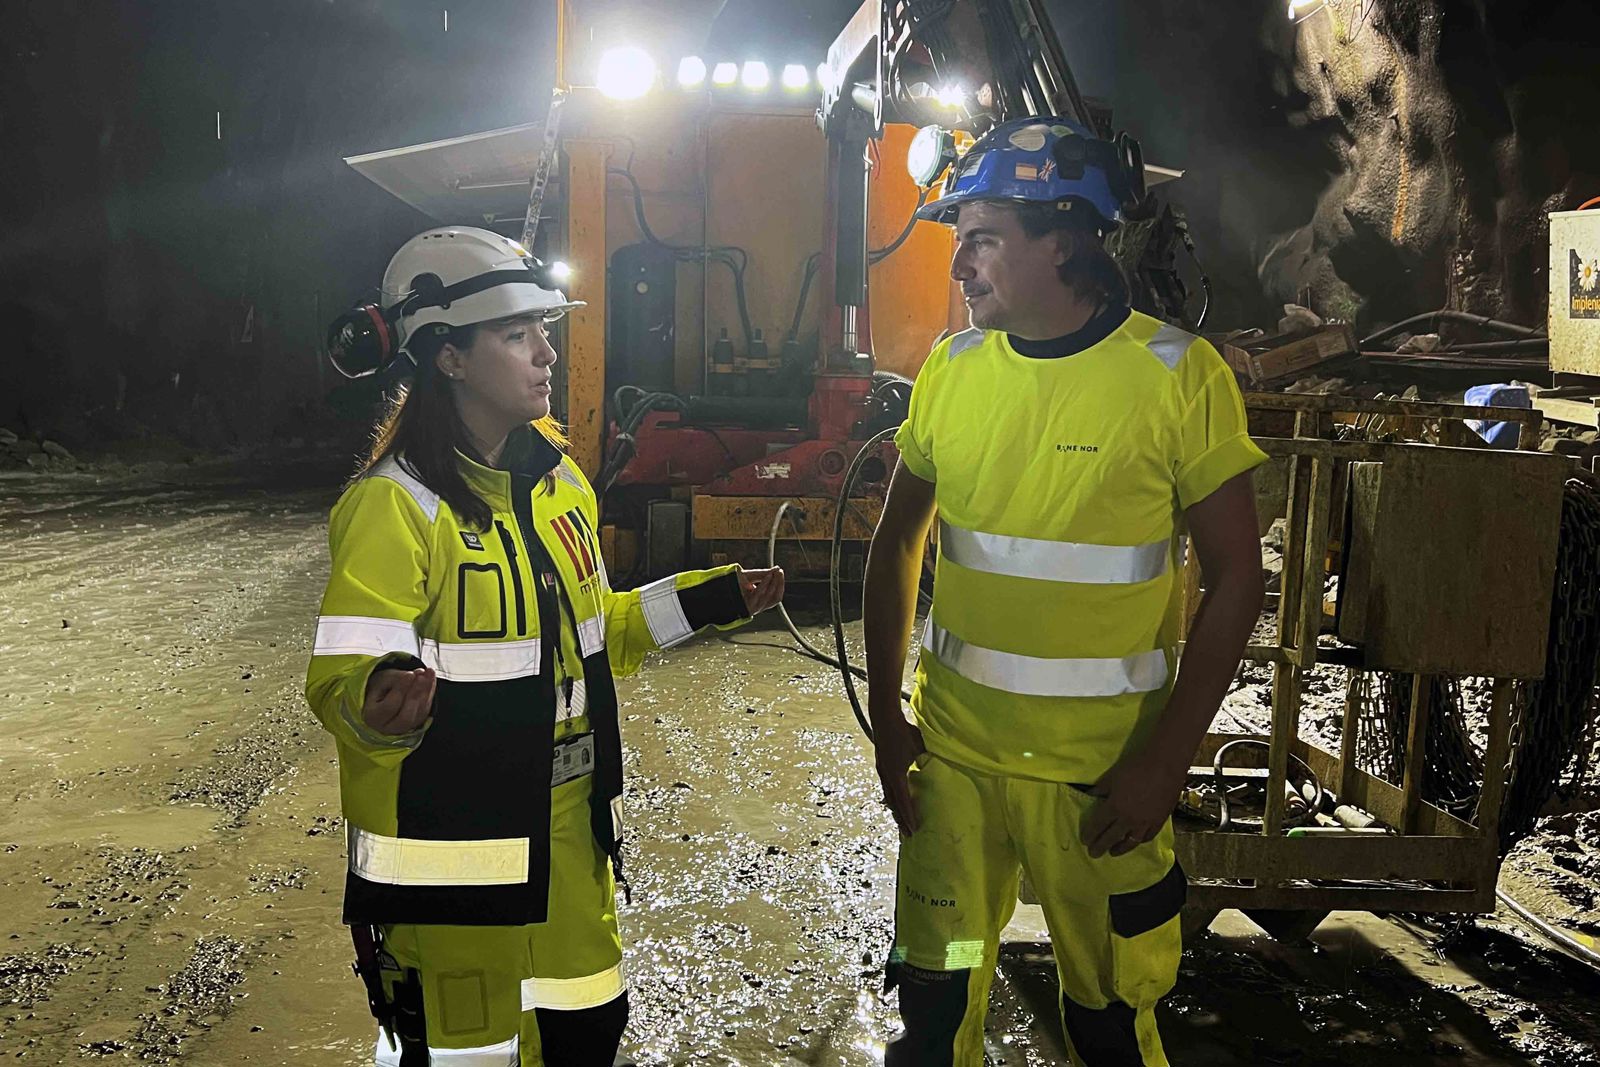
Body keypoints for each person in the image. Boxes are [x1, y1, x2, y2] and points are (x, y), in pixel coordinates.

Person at [305, 226, 785, 1066]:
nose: (546, 352)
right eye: (517, 333)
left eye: (545, 329)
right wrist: (378, 702)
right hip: (449, 862)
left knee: (586, 1031)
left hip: (568, 842)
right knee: (464, 1056)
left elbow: (598, 637)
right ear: (449, 358)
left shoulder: (562, 484)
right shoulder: (395, 508)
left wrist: (711, 599)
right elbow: (345, 678)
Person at [862, 117, 1267, 1066]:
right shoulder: (953, 370)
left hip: (1102, 782)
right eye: (958, 237)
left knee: (1107, 1020)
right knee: (936, 1003)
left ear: (1067, 240)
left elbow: (1241, 576)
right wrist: (889, 717)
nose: (959, 263)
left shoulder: (1174, 376)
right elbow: (896, 546)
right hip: (954, 767)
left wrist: (1166, 762)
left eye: (984, 237)